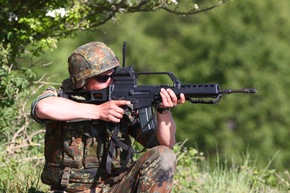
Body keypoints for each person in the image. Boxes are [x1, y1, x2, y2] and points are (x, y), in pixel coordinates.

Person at [31, 41, 185, 193]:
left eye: (114, 75)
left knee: (164, 155)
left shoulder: (122, 103)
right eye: (103, 78)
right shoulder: (61, 97)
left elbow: (165, 145)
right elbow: (42, 107)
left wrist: (163, 112)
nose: (111, 82)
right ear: (82, 81)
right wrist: (98, 111)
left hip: (116, 187)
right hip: (72, 190)